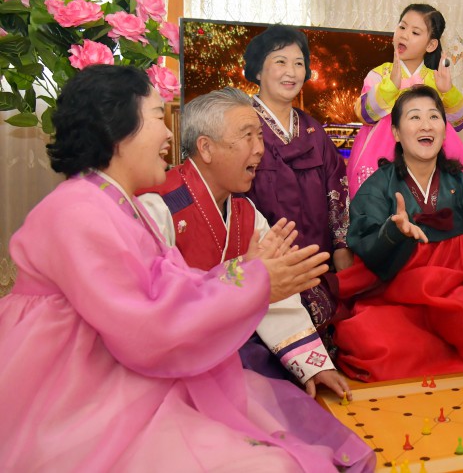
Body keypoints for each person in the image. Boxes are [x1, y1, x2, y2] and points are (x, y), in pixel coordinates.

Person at [0, 65, 374, 471]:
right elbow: (147, 324)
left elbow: (170, 291)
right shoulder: (86, 210)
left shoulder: (113, 205)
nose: (167, 134)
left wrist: (252, 274)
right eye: (159, 116)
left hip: (136, 356)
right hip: (74, 382)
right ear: (117, 126)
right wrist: (255, 280)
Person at [138, 87, 350, 399]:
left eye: (259, 135)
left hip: (232, 349)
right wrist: (248, 279)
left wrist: (314, 366)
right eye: (247, 135)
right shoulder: (159, 207)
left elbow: (277, 298)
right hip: (176, 363)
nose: (260, 148)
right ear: (206, 148)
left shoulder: (247, 215)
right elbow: (154, 309)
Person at [334, 85, 463, 382]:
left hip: (452, 291)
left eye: (434, 117)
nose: (425, 125)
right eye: (414, 117)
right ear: (396, 132)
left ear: (445, 131)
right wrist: (393, 233)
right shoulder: (377, 187)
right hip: (395, 293)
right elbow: (366, 248)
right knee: (370, 340)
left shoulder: (462, 184)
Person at [243, 25, 352, 277]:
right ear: (258, 70)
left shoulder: (314, 131)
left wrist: (341, 245)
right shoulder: (241, 126)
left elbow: (337, 187)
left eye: (298, 63)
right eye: (280, 61)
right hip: (264, 266)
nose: (291, 72)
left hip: (319, 263)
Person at [348, 3, 463, 197]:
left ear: (431, 45)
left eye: (415, 32)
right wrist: (391, 85)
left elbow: (460, 122)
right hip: (381, 157)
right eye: (402, 27)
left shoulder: (436, 79)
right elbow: (365, 114)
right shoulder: (379, 74)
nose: (404, 34)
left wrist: (447, 91)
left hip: (429, 159)